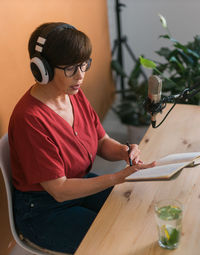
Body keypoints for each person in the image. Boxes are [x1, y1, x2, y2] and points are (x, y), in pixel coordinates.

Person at [8, 22, 155, 254]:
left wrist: (125, 151)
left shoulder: (72, 93)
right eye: (71, 69)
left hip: (81, 182)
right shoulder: (30, 119)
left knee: (135, 211)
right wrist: (116, 177)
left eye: (84, 65)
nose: (80, 75)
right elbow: (60, 190)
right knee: (115, 239)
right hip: (44, 210)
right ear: (42, 70)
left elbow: (101, 142)